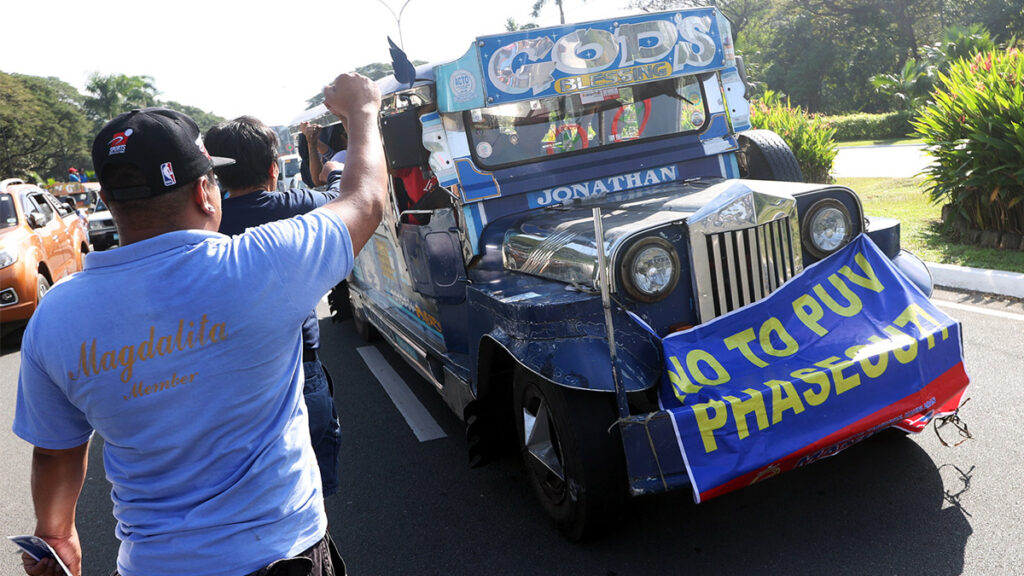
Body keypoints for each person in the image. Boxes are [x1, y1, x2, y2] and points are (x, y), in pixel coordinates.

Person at [12, 73, 386, 576]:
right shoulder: (262, 264)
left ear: (112, 203)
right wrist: (362, 113)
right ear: (206, 194)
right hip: (282, 555)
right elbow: (364, 201)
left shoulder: (56, 314)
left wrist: (56, 535)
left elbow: (56, 450)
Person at [204, 115, 344, 497]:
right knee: (312, 491)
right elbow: (341, 199)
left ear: (215, 176)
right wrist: (332, 168)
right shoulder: (295, 208)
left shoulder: (201, 226)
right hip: (302, 372)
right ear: (273, 168)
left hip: (233, 383)